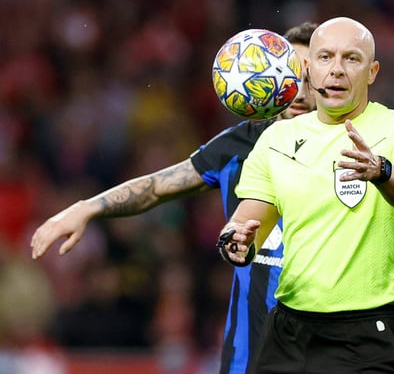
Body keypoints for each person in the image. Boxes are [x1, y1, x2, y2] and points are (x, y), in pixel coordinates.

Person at [30, 22, 318, 374]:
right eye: (288, 76)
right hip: (249, 356)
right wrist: (87, 207)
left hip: (325, 351)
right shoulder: (238, 146)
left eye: (307, 78)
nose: (297, 91)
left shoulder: (351, 151)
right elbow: (156, 187)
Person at [220, 16, 394, 373]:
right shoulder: (276, 139)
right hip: (288, 332)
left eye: (351, 58)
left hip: (366, 334)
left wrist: (381, 171)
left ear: (372, 72)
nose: (336, 69)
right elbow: (247, 224)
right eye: (325, 57)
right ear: (308, 69)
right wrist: (236, 242)